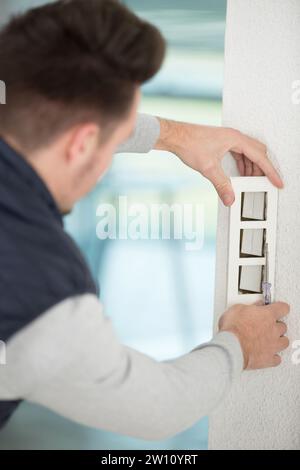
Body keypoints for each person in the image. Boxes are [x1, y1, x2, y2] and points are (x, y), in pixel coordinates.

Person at [0, 0, 289, 440]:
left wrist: (174, 136)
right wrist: (242, 344)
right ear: (83, 144)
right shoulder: (42, 291)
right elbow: (158, 407)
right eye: (118, 135)